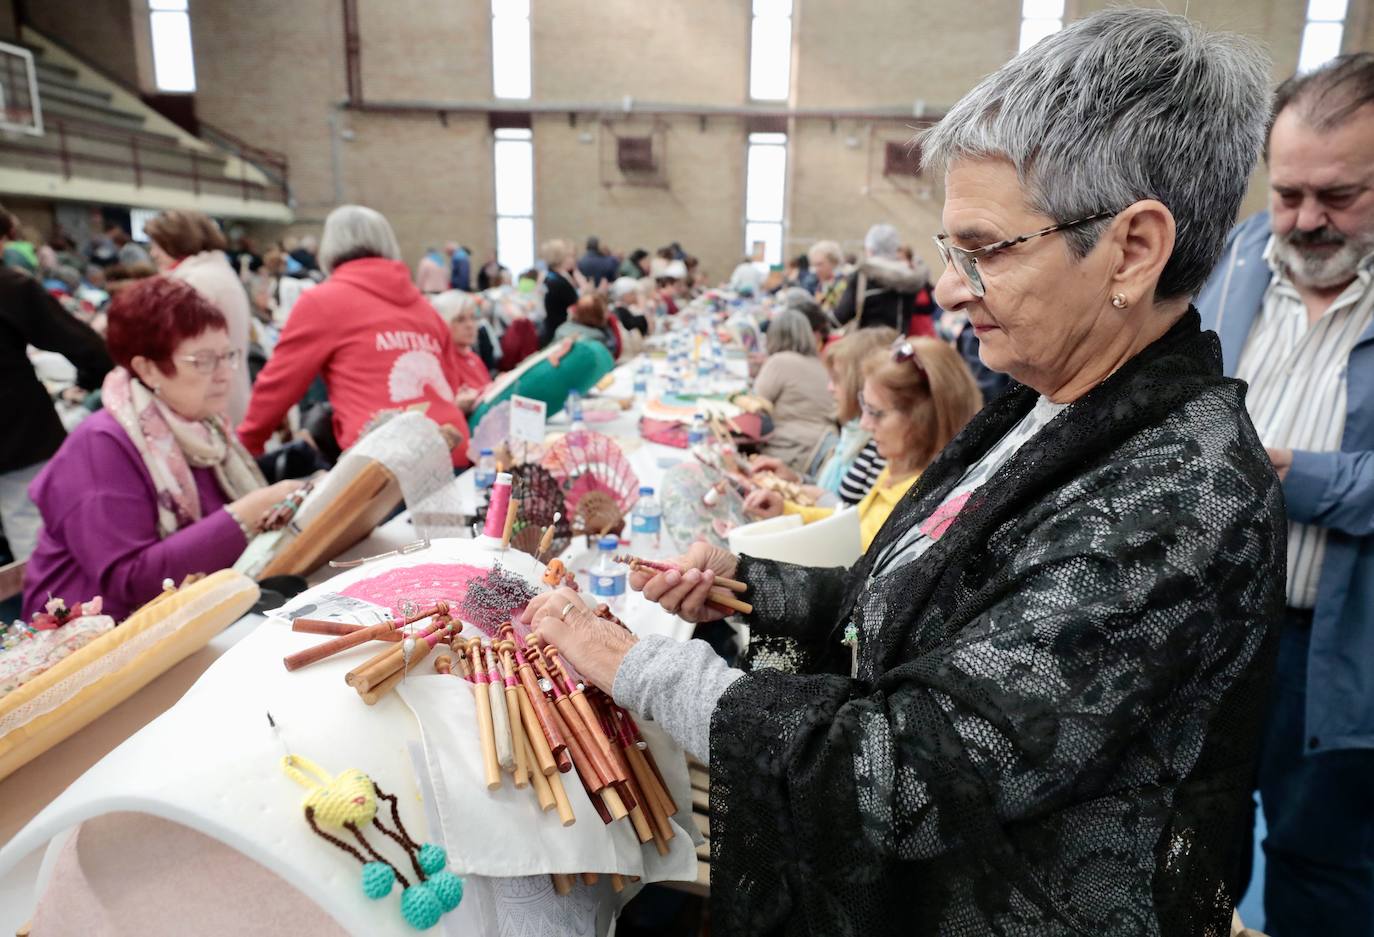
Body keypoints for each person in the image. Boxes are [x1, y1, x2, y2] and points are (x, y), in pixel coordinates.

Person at [524, 11, 1285, 935]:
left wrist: (639, 667)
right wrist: (747, 592)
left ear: (1132, 248)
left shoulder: (1176, 493)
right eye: (949, 250)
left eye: (988, 249)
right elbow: (939, 596)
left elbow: (910, 773)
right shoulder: (1048, 400)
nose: (953, 287)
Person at [1196, 52, 1374, 937]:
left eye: (1339, 196)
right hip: (1213, 627)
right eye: (1288, 190)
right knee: (1191, 850)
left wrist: (1286, 474)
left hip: (1340, 656)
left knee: (1324, 872)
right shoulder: (1235, 262)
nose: (1304, 220)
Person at [22, 279, 299, 620]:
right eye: (203, 360)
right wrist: (243, 515)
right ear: (147, 368)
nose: (226, 374)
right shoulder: (102, 446)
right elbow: (130, 579)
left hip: (194, 616)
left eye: (228, 356)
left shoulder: (201, 426)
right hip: (100, 635)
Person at [238, 205, 473, 468]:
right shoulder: (424, 308)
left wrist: (247, 448)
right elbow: (450, 383)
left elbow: (278, 386)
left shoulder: (322, 302)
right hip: (451, 448)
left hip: (385, 468)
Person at [745, 338, 980, 550]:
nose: (866, 424)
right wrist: (786, 510)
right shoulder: (897, 465)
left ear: (923, 421)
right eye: (864, 406)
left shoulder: (925, 502)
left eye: (876, 413)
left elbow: (852, 550)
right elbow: (852, 524)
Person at [0, 260, 112, 565]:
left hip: (17, 437)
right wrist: (93, 377)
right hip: (17, 438)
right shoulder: (10, 285)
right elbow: (77, 341)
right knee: (38, 540)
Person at [750, 326, 897, 508]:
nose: (829, 388)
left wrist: (811, 496)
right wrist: (795, 479)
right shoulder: (853, 433)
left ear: (858, 384)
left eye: (837, 380)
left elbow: (867, 521)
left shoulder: (882, 443)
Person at [146, 210, 254, 425]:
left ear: (175, 242)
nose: (152, 253)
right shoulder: (215, 273)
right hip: (221, 391)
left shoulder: (195, 282)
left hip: (204, 399)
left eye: (157, 245)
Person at [753, 309, 836, 473]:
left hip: (790, 452)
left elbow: (754, 407)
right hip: (823, 451)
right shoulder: (821, 365)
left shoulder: (779, 362)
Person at [834, 223, 936, 334]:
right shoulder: (911, 275)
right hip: (899, 342)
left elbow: (840, 317)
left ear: (871, 249)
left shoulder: (862, 275)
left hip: (867, 344)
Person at [430, 290, 493, 415]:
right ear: (443, 323)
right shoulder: (439, 362)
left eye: (473, 318)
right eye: (460, 320)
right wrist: (456, 407)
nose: (470, 325)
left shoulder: (473, 358)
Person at [539, 238, 580, 346]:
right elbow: (576, 304)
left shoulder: (548, 276)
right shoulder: (558, 282)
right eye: (569, 255)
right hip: (559, 335)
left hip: (551, 329)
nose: (572, 259)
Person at [553, 293, 619, 358]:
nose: (608, 315)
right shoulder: (596, 336)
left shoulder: (561, 329)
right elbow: (609, 356)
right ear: (594, 316)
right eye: (604, 311)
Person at [808, 239, 847, 314]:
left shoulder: (843, 284)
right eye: (814, 265)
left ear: (834, 262)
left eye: (819, 264)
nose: (816, 269)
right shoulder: (820, 284)